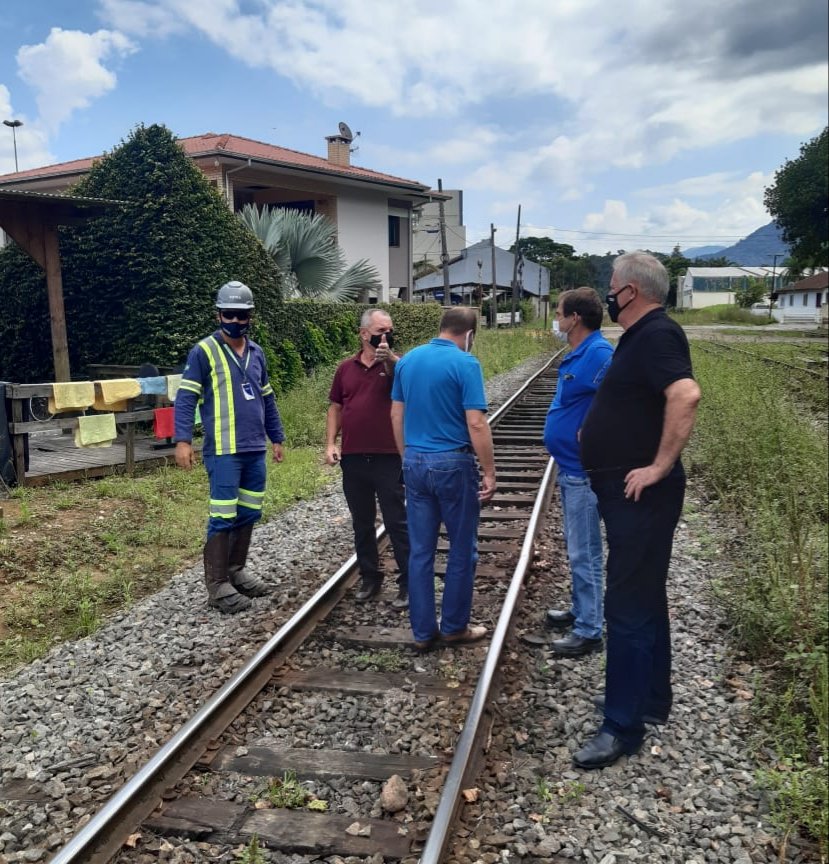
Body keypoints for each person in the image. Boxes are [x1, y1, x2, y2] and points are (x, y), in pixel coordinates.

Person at [575, 252, 701, 769]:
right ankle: (650, 699)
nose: (608, 293)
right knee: (645, 596)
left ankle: (621, 726)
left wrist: (658, 466)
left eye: (611, 285)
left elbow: (685, 394)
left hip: (641, 495)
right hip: (628, 494)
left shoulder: (657, 334)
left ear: (631, 291)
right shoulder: (642, 336)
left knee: (625, 605)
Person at [174, 280, 285, 614]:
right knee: (222, 515)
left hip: (254, 449)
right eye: (228, 314)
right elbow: (186, 397)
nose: (235, 321)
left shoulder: (257, 353)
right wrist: (182, 440)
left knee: (249, 511)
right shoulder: (203, 351)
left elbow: (267, 398)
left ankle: (236, 571)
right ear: (217, 314)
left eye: (241, 315)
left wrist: (276, 436)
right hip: (223, 450)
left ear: (250, 316)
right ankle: (217, 585)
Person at [390, 307, 496, 651]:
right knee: (461, 548)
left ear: (441, 328)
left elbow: (396, 413)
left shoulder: (408, 361)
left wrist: (407, 457)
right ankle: (453, 626)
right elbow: (476, 423)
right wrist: (490, 471)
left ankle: (422, 632)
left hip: (416, 461)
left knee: (420, 551)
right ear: (469, 335)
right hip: (453, 463)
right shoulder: (466, 364)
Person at [543, 287, 613, 656]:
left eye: (559, 312)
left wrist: (598, 426)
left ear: (575, 318)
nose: (557, 318)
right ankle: (582, 609)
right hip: (571, 469)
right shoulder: (581, 352)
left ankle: (590, 629)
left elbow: (622, 397)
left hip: (584, 472)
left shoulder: (600, 353)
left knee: (584, 551)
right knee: (577, 547)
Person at [326, 309, 410, 609]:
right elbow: (335, 406)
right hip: (354, 457)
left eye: (389, 330)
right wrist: (330, 444)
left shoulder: (399, 364)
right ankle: (370, 577)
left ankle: (408, 581)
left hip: (389, 456)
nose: (385, 336)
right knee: (361, 522)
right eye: (379, 331)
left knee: (396, 520)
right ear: (364, 334)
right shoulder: (345, 369)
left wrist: (389, 359)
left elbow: (405, 378)